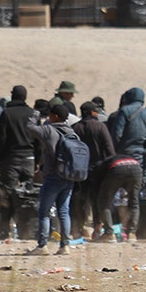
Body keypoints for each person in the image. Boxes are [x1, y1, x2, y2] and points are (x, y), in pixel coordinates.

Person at [26, 104, 76, 255]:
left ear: (54, 116)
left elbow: (30, 127)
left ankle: (42, 246)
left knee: (44, 212)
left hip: (53, 177)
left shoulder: (49, 130)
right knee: (64, 212)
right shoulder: (72, 132)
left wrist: (36, 113)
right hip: (68, 177)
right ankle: (65, 246)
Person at [0, 85, 37, 239]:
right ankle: (27, 231)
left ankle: (4, 230)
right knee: (28, 196)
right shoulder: (33, 114)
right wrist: (37, 159)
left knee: (7, 194)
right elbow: (38, 139)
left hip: (11, 159)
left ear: (13, 96)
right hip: (29, 158)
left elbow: (1, 139)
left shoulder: (7, 114)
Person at [70, 101, 115, 240]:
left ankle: (80, 228)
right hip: (97, 169)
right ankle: (97, 228)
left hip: (79, 169)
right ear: (92, 112)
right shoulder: (100, 126)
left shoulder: (74, 128)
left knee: (80, 200)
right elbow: (109, 149)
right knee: (97, 200)